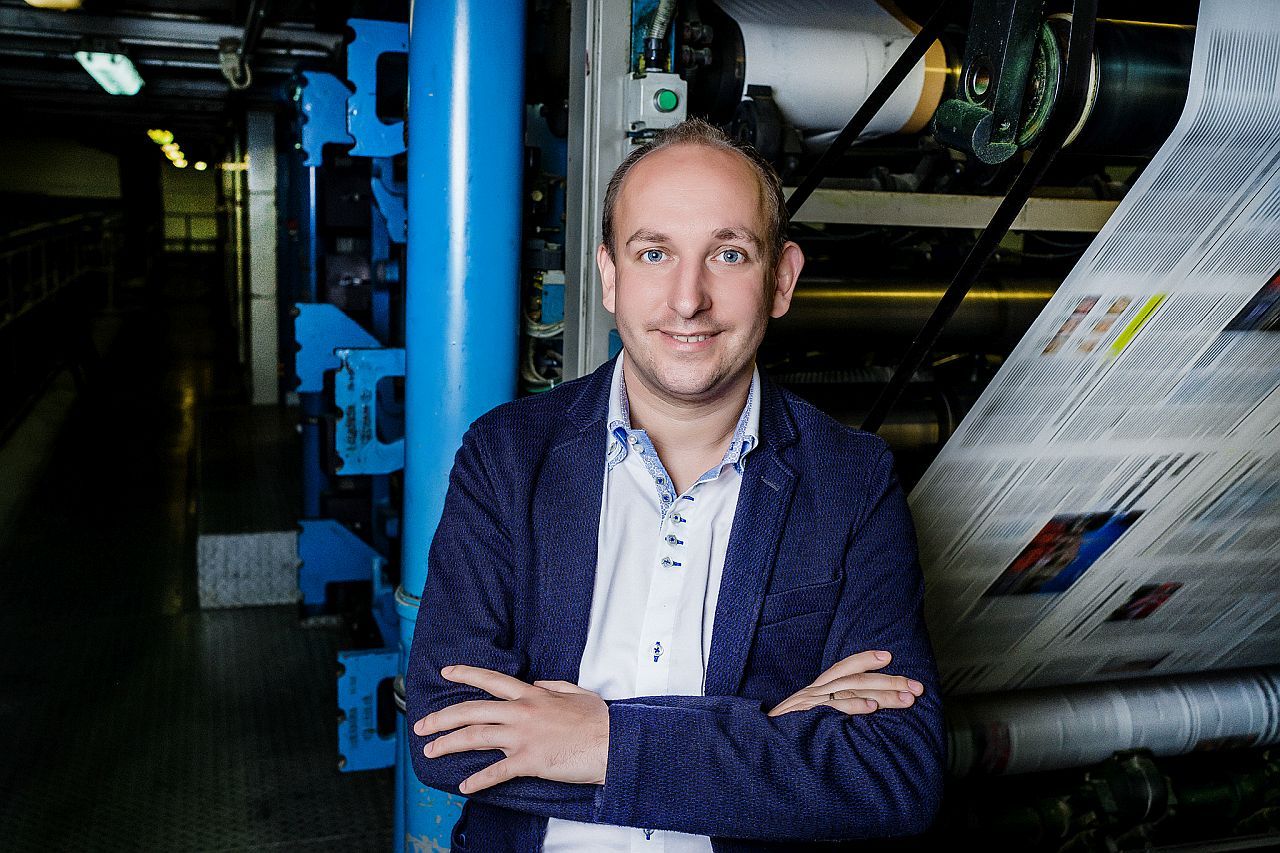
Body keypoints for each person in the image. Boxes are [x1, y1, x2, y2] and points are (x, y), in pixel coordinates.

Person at [405, 118, 945, 852]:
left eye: (728, 254)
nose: (688, 299)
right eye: (654, 253)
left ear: (782, 279)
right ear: (610, 276)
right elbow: (446, 736)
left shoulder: (850, 479)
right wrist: (767, 730)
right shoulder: (508, 455)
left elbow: (893, 771)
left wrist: (602, 740)